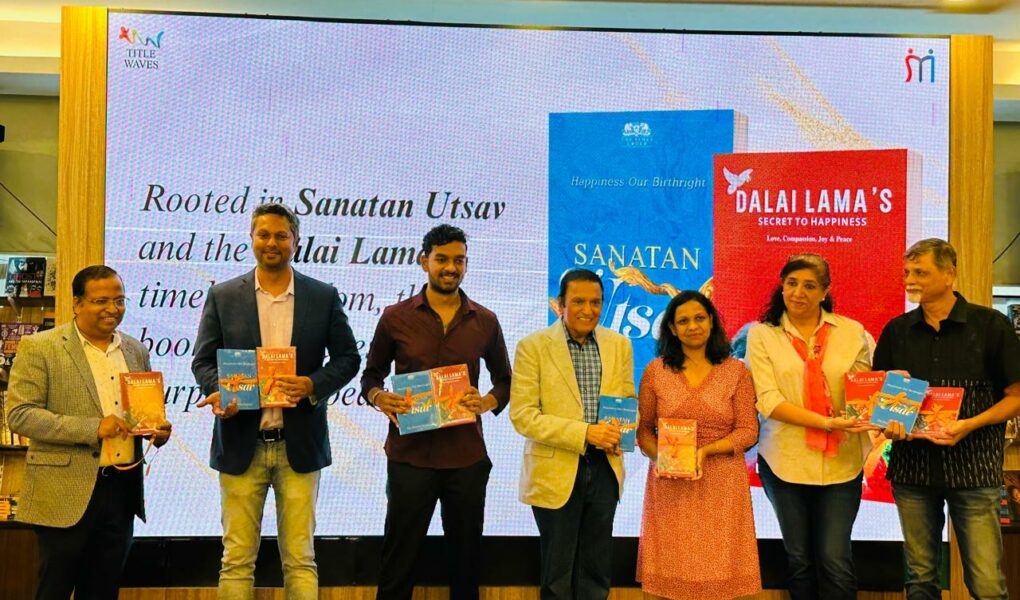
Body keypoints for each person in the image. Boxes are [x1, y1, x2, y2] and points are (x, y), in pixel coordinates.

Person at [191, 203, 361, 599]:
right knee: (236, 560)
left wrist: (312, 384)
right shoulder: (222, 295)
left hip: (299, 446)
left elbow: (348, 358)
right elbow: (202, 361)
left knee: (301, 559)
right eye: (263, 234)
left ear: (296, 241)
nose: (272, 242)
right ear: (251, 238)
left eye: (281, 235)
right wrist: (221, 391)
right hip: (240, 443)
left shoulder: (322, 296)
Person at [361, 224, 511, 600]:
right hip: (409, 457)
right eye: (442, 259)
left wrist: (487, 401)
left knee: (466, 563)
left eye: (459, 260)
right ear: (423, 261)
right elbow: (370, 376)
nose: (451, 268)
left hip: (466, 458)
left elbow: (505, 381)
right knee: (398, 562)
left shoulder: (486, 320)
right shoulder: (395, 317)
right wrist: (380, 397)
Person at [6, 265, 171, 600]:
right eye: (101, 301)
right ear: (77, 303)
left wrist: (156, 430)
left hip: (122, 490)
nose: (113, 308)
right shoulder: (41, 347)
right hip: (64, 492)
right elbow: (21, 416)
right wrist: (93, 428)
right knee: (54, 590)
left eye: (119, 300)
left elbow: (139, 412)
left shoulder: (135, 350)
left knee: (103, 592)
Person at [873, 238, 1020, 600]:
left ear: (949, 274)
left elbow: (1016, 398)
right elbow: (880, 406)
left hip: (974, 471)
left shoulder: (991, 326)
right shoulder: (895, 330)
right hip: (912, 472)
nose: (910, 280)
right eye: (907, 272)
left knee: (986, 584)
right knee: (920, 580)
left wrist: (969, 424)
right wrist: (889, 422)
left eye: (920, 272)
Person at [746, 253, 873, 600]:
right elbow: (768, 401)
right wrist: (825, 422)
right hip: (784, 461)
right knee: (799, 560)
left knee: (835, 558)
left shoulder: (852, 332)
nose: (798, 292)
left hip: (842, 463)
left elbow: (865, 389)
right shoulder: (762, 335)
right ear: (782, 286)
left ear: (825, 291)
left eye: (809, 286)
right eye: (791, 283)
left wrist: (891, 387)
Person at [509, 268, 635, 600]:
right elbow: (523, 416)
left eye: (596, 302)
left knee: (596, 571)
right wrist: (585, 433)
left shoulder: (619, 345)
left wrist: (623, 429)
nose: (588, 310)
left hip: (606, 468)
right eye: (578, 301)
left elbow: (626, 401)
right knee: (558, 574)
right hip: (555, 469)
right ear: (560, 304)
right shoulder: (533, 346)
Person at [635, 290, 760, 600]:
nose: (693, 326)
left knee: (721, 575)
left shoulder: (736, 371)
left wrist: (705, 451)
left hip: (722, 485)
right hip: (671, 485)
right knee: (670, 577)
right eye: (683, 321)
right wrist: (662, 457)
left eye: (700, 318)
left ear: (712, 321)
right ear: (672, 328)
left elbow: (748, 431)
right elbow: (644, 430)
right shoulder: (655, 371)